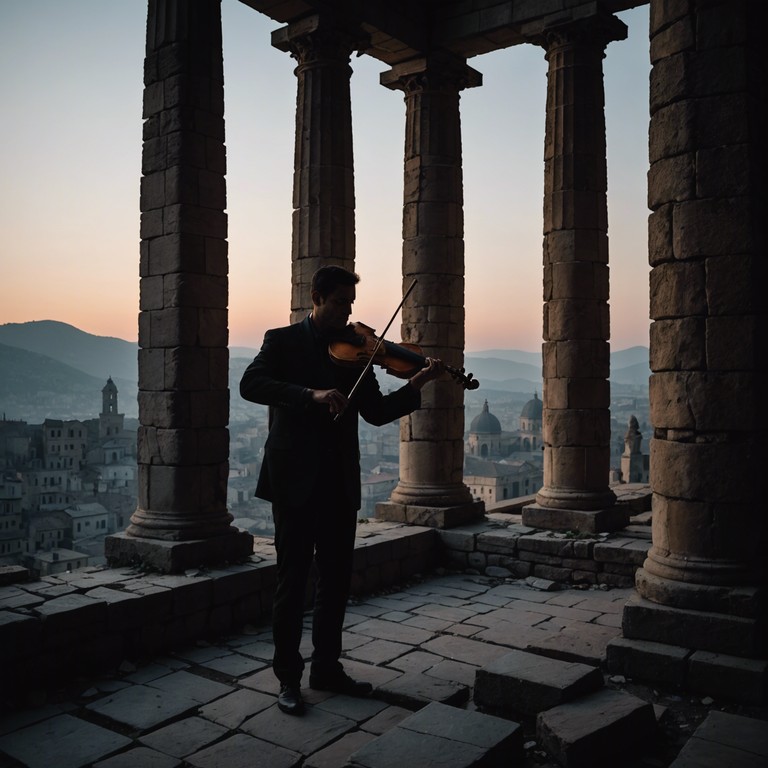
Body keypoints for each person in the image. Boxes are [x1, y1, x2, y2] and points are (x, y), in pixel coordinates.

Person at [239, 265, 444, 716]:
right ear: (316, 297)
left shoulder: (356, 352)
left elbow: (375, 412)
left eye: (350, 304)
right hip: (294, 481)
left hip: (338, 482)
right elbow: (250, 384)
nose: (346, 312)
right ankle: (288, 679)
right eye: (338, 303)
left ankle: (327, 669)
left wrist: (419, 383)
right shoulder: (282, 340)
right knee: (291, 584)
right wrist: (307, 394)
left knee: (335, 583)